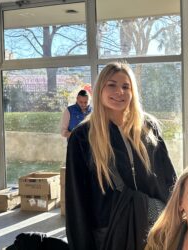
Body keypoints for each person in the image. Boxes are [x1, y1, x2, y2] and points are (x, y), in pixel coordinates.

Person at [65, 62, 176, 250]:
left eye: (126, 86)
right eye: (112, 85)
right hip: (109, 234)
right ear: (100, 89)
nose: (120, 92)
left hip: (152, 229)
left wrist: (175, 218)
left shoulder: (148, 128)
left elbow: (169, 178)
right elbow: (76, 199)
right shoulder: (83, 137)